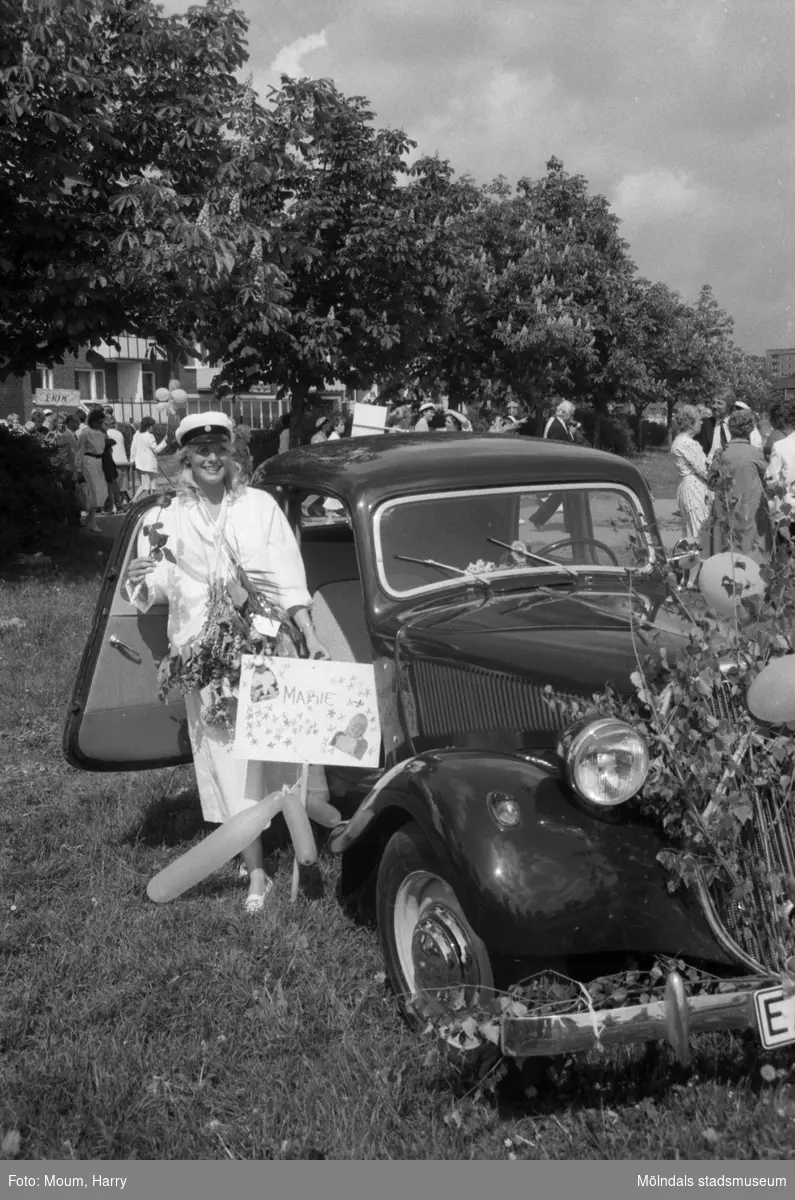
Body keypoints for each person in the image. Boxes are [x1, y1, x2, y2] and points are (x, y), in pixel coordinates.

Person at [123, 412, 330, 912]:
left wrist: (309, 632)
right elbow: (148, 591)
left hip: (266, 648)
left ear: (232, 453)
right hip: (205, 655)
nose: (212, 457)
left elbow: (289, 575)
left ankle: (277, 836)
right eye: (201, 449)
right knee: (226, 756)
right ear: (185, 458)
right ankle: (257, 872)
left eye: (220, 447)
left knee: (271, 747)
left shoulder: (260, 507)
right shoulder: (163, 518)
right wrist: (137, 576)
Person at [706, 406, 771, 560]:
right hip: (751, 506)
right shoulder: (756, 454)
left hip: (726, 505)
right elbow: (767, 479)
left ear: (730, 428)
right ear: (750, 429)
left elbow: (711, 482)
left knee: (726, 543)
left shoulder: (722, 453)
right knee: (752, 545)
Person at [670, 406, 712, 573]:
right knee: (698, 530)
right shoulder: (688, 443)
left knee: (691, 529)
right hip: (694, 486)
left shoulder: (679, 441)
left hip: (687, 485)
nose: (701, 422)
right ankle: (695, 575)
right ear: (690, 423)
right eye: (699, 420)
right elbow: (703, 469)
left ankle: (688, 573)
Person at [75, 408, 109, 533]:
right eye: (99, 422)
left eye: (102, 422)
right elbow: (80, 451)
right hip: (88, 462)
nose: (100, 424)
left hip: (98, 462)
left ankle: (88, 519)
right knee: (93, 492)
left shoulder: (101, 433)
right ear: (93, 421)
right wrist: (78, 469)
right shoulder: (86, 433)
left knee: (100, 491)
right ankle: (92, 522)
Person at [132, 416, 168, 498]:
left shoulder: (138, 435)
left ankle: (150, 499)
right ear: (149, 426)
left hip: (141, 463)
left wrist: (133, 459)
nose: (153, 428)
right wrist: (165, 440)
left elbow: (134, 448)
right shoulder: (150, 436)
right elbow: (156, 450)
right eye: (152, 426)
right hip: (150, 463)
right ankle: (134, 500)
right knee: (149, 484)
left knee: (149, 484)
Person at [104, 414, 130, 505]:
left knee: (113, 486)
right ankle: (124, 501)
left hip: (114, 462)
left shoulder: (107, 433)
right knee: (122, 486)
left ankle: (114, 505)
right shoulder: (119, 433)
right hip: (123, 461)